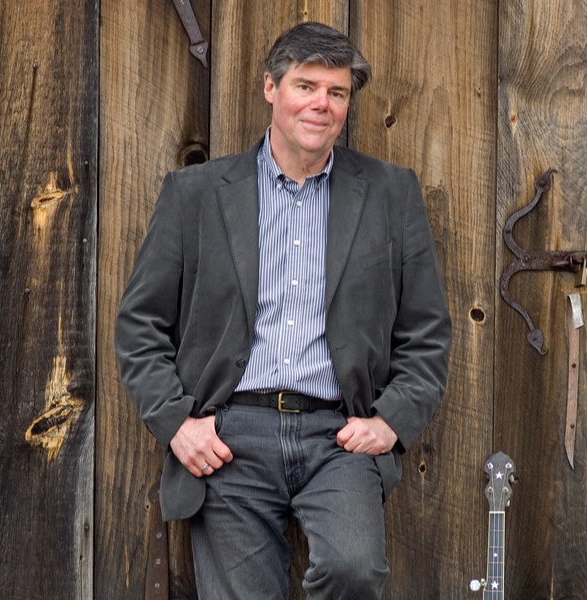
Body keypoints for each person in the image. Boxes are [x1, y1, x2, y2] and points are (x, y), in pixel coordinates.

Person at [115, 21, 451, 600]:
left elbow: (426, 331)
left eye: (337, 92)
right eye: (306, 86)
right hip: (230, 438)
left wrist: (391, 420)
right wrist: (177, 424)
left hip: (338, 436)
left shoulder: (391, 193)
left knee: (354, 569)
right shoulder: (194, 195)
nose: (322, 104)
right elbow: (139, 326)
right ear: (271, 88)